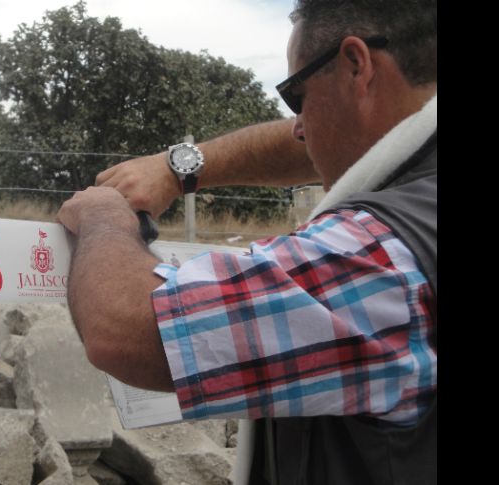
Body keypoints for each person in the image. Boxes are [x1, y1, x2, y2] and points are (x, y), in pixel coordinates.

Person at [57, 1, 436, 483]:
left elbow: (127, 331)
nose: (297, 127)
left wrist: (104, 219)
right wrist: (179, 168)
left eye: (296, 96)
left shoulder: (381, 254)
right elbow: (360, 130)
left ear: (356, 66)